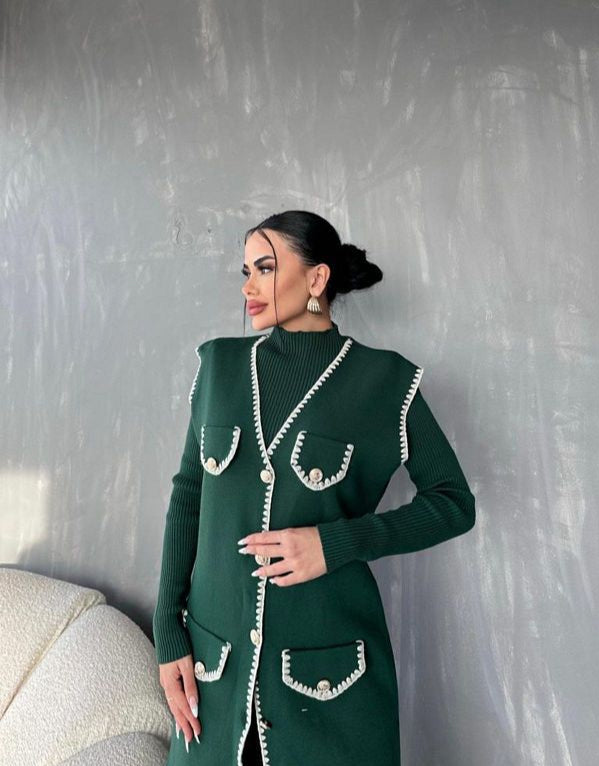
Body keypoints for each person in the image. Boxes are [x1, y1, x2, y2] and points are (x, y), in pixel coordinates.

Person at [152, 210, 476, 765]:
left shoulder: (385, 382)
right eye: (246, 271)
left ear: (317, 278)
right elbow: (188, 497)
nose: (248, 286)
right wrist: (169, 633)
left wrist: (335, 543)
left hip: (329, 682)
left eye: (265, 268)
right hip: (215, 669)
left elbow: (453, 504)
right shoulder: (219, 367)